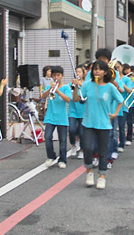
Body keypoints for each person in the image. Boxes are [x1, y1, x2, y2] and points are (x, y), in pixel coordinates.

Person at [75, 60, 123, 189]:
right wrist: (75, 87)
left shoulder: (110, 87)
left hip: (104, 123)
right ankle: (89, 172)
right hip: (88, 122)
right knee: (88, 148)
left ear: (105, 72)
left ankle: (102, 176)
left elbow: (120, 100)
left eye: (100, 69)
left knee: (103, 151)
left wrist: (115, 114)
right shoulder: (87, 85)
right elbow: (76, 99)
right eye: (95, 69)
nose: (97, 71)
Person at [40, 66, 72, 168]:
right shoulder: (50, 86)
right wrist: (50, 88)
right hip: (50, 116)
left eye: (58, 75)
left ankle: (62, 159)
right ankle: (51, 156)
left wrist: (58, 91)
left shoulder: (66, 87)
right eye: (54, 75)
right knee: (47, 136)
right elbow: (43, 96)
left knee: (62, 140)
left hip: (62, 117)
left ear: (62, 76)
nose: (56, 77)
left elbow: (68, 99)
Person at [67, 66, 87, 159]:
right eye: (76, 72)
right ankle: (74, 145)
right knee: (71, 129)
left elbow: (88, 91)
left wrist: (80, 84)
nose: (78, 73)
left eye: (79, 72)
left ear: (83, 73)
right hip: (72, 110)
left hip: (83, 111)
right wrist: (74, 86)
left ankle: (82, 150)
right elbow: (69, 95)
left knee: (82, 132)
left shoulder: (86, 84)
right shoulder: (71, 84)